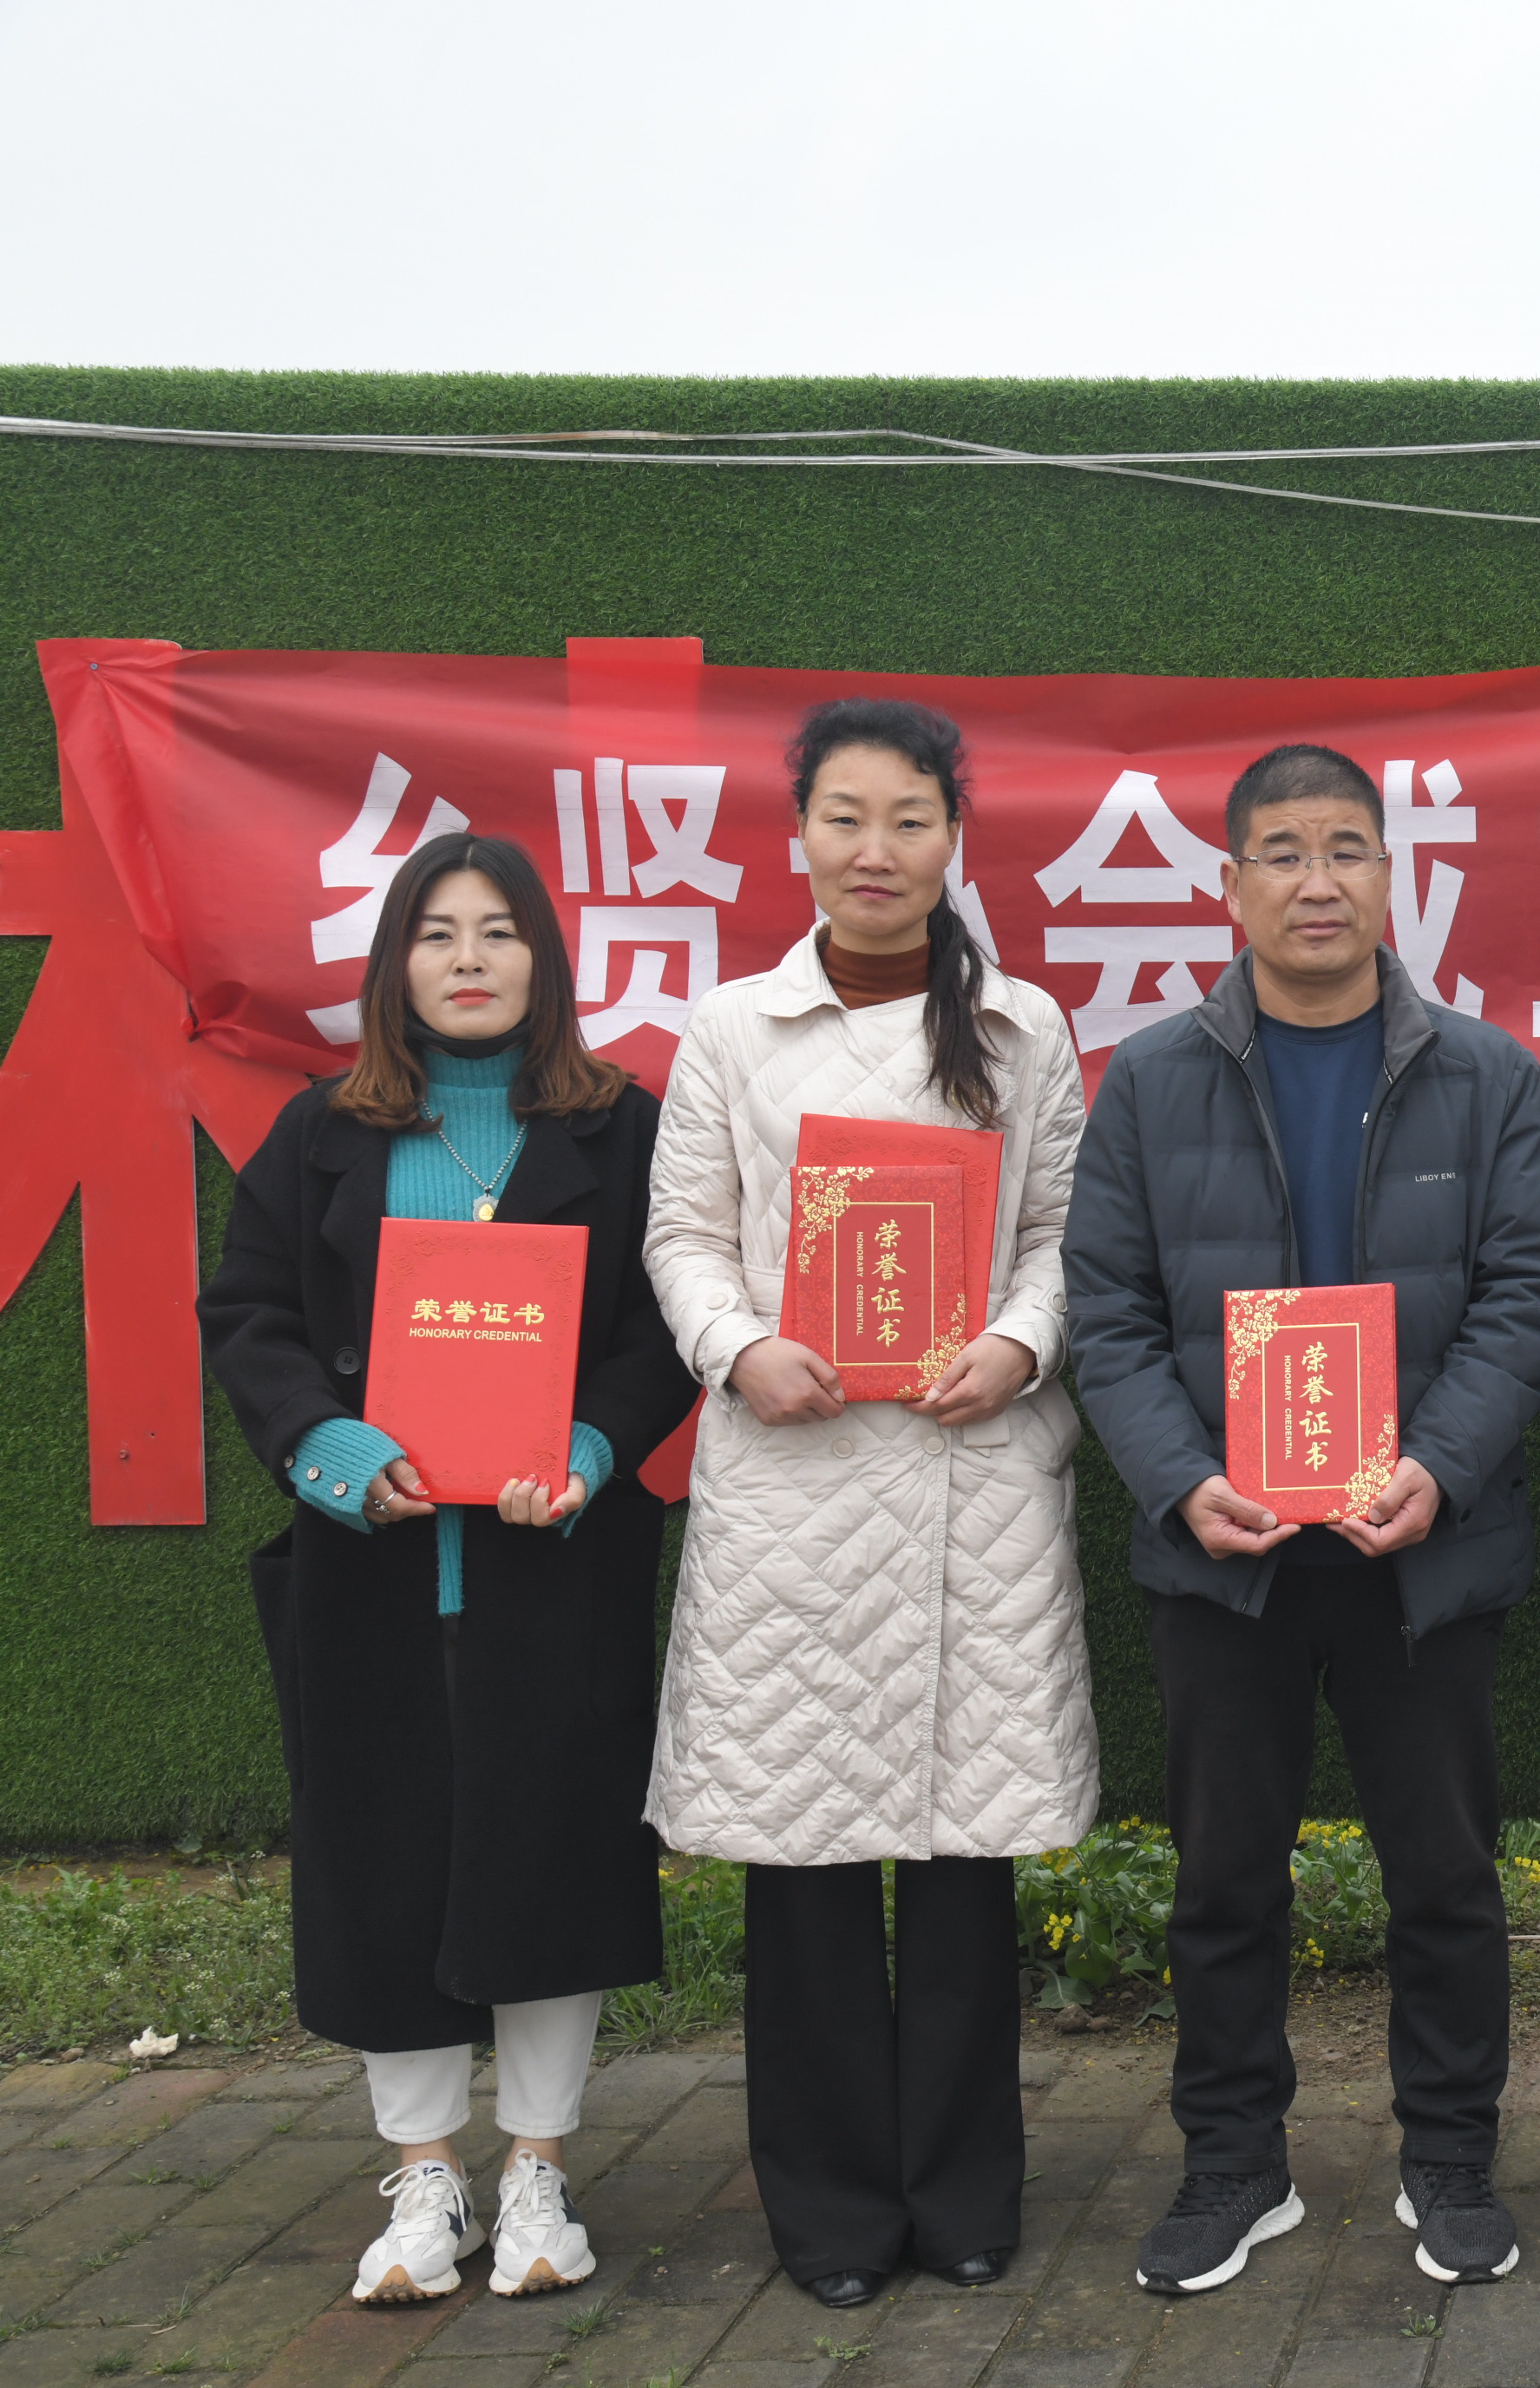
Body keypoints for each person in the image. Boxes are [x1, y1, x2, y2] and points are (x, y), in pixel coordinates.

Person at [1065, 743, 1540, 2298]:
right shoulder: (1152, 1080)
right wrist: (1180, 1478)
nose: (1316, 881)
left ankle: (1451, 2158)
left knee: (1447, 1877)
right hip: (1225, 1556)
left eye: (1347, 849)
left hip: (1423, 1550)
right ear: (1230, 887)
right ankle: (1233, 2165)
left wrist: (1440, 1467)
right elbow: (1109, 1311)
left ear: (1390, 876)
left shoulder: (1485, 1073)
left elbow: (1528, 1292)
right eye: (1282, 853)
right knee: (1225, 1879)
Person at [642, 699, 1098, 2310]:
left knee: (967, 1862)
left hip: (973, 1475)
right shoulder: (732, 1029)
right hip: (797, 1480)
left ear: (953, 839)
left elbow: (1065, 1235)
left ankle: (964, 2194)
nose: (876, 849)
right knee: (807, 1853)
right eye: (845, 817)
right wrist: (741, 1345)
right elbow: (684, 1233)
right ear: (797, 840)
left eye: (909, 818)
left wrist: (1018, 1341)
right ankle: (831, 2212)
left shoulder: (1025, 1030)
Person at [200, 833, 696, 2307]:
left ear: (545, 959)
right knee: (380, 1864)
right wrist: (327, 1447)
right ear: (393, 963)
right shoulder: (321, 1131)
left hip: (555, 1563)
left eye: (498, 931)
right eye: (436, 933)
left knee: (553, 1850)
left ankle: (538, 2166)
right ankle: (425, 2175)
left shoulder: (624, 1129)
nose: (469, 959)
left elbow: (664, 1328)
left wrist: (595, 1448)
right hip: (373, 1572)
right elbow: (250, 1314)